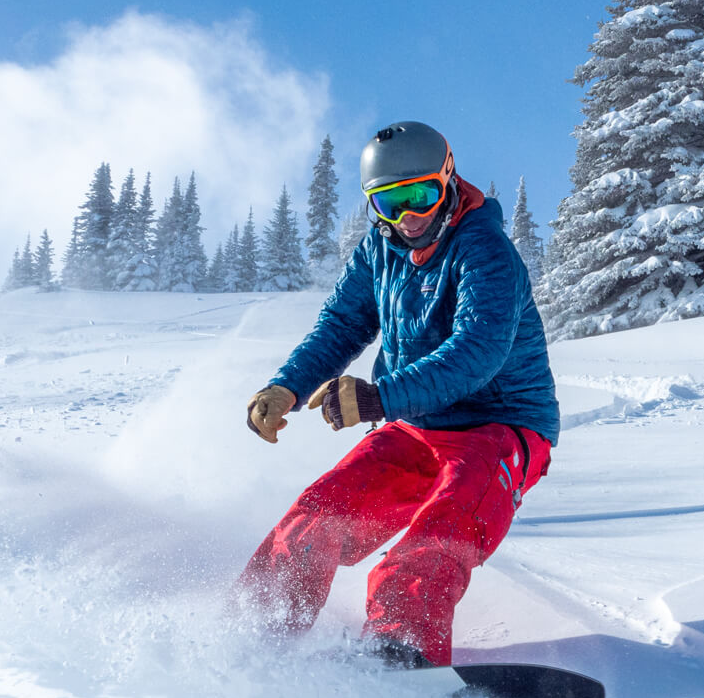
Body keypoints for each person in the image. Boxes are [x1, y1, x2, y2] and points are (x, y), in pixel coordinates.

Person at [237, 121, 560, 668]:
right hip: (414, 423)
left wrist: (376, 398)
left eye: (421, 195)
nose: (409, 217)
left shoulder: (486, 251)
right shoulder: (378, 251)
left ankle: (399, 655)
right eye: (391, 203)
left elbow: (477, 351)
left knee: (433, 543)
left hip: (501, 427)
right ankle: (254, 635)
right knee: (314, 520)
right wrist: (286, 386)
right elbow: (342, 324)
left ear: (448, 181)